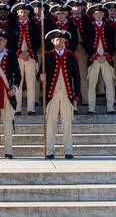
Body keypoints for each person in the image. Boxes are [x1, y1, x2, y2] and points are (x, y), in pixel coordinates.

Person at [39, 29, 79, 159]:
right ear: (52, 42)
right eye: (57, 40)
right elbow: (39, 75)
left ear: (65, 41)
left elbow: (77, 77)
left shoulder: (71, 57)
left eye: (61, 40)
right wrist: (41, 77)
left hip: (67, 94)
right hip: (52, 94)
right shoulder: (47, 57)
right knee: (51, 123)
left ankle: (68, 150)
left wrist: (76, 95)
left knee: (67, 123)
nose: (59, 42)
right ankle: (50, 150)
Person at [0, 29, 21, 159]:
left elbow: (18, 75)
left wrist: (15, 88)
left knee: (7, 122)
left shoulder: (11, 56)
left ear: (5, 42)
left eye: (2, 40)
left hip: (7, 91)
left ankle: (8, 151)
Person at [7, 1, 41, 115]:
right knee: (18, 83)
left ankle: (31, 109)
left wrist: (29, 52)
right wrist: (18, 53)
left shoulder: (33, 26)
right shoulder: (12, 27)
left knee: (31, 83)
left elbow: (37, 42)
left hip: (30, 58)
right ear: (18, 13)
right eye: (21, 12)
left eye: (25, 12)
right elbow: (9, 43)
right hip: (17, 59)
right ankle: (17, 108)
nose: (24, 14)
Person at [83, 4, 116, 114]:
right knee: (92, 84)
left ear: (103, 15)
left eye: (101, 13)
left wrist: (106, 55)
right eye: (96, 13)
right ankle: (91, 108)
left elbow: (112, 44)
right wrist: (96, 55)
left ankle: (110, 107)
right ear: (93, 15)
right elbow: (87, 44)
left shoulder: (108, 27)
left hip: (106, 59)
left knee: (109, 84)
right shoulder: (89, 28)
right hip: (94, 59)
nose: (98, 15)